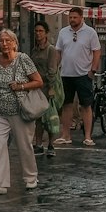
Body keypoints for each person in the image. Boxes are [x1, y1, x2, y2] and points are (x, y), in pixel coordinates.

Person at [0, 28, 44, 196]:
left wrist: (21, 86)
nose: (4, 44)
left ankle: (30, 178)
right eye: (1, 41)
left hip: (19, 109)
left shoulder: (23, 59)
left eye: (8, 41)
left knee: (24, 145)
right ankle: (0, 184)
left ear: (14, 43)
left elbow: (38, 81)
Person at [55, 6, 102, 147]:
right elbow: (58, 52)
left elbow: (97, 51)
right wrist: (55, 69)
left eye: (75, 17)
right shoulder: (63, 32)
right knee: (66, 105)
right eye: (70, 17)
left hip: (83, 74)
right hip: (66, 74)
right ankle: (65, 135)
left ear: (82, 18)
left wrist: (92, 70)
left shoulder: (90, 33)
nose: (72, 20)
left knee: (86, 106)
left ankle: (87, 136)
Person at [29, 21, 62, 155]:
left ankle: (51, 145)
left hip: (47, 87)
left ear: (46, 33)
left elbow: (52, 70)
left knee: (50, 117)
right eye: (36, 31)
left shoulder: (51, 50)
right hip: (36, 87)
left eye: (41, 31)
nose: (38, 33)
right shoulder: (34, 50)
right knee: (38, 118)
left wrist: (51, 89)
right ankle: (38, 144)